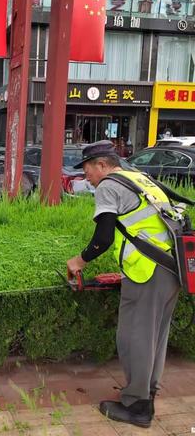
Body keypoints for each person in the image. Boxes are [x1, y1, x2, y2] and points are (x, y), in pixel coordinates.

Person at [66, 140, 180, 429]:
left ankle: (137, 407)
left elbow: (103, 238)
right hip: (170, 268)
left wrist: (79, 261)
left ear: (102, 165)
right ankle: (146, 394)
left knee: (133, 339)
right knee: (156, 337)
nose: (87, 177)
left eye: (88, 170)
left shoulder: (109, 185)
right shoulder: (140, 178)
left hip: (147, 272)